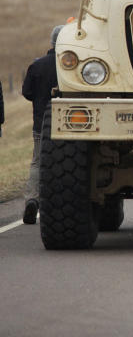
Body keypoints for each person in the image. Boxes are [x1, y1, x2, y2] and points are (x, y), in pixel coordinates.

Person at [21, 24, 63, 224]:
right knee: (65, 164)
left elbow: (27, 92)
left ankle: (32, 199)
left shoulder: (37, 65)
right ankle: (60, 206)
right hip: (67, 126)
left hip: (41, 123)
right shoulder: (72, 66)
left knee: (38, 162)